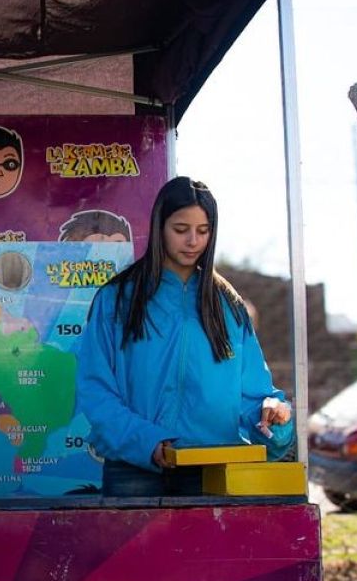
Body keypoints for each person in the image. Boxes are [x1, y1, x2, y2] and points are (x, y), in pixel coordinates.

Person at [75, 176, 293, 497]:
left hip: (212, 470)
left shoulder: (229, 306)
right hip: (133, 470)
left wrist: (274, 416)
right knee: (135, 550)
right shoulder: (116, 299)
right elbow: (95, 388)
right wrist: (147, 442)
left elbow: (253, 395)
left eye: (203, 231)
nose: (193, 241)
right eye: (181, 229)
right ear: (159, 226)